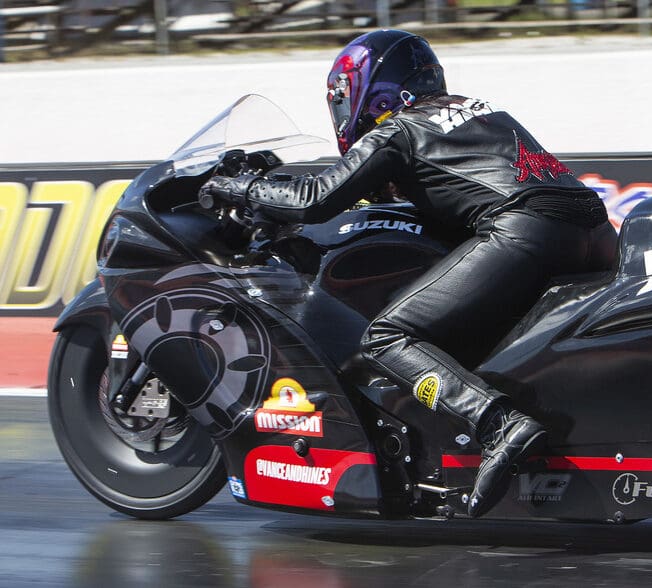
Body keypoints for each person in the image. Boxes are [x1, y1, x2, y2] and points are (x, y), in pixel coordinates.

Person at [199, 29, 617, 517]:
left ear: (368, 89)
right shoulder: (476, 108)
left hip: (529, 230)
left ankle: (498, 424)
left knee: (386, 337)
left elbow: (313, 201)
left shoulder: (397, 129)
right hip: (593, 229)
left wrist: (237, 186)